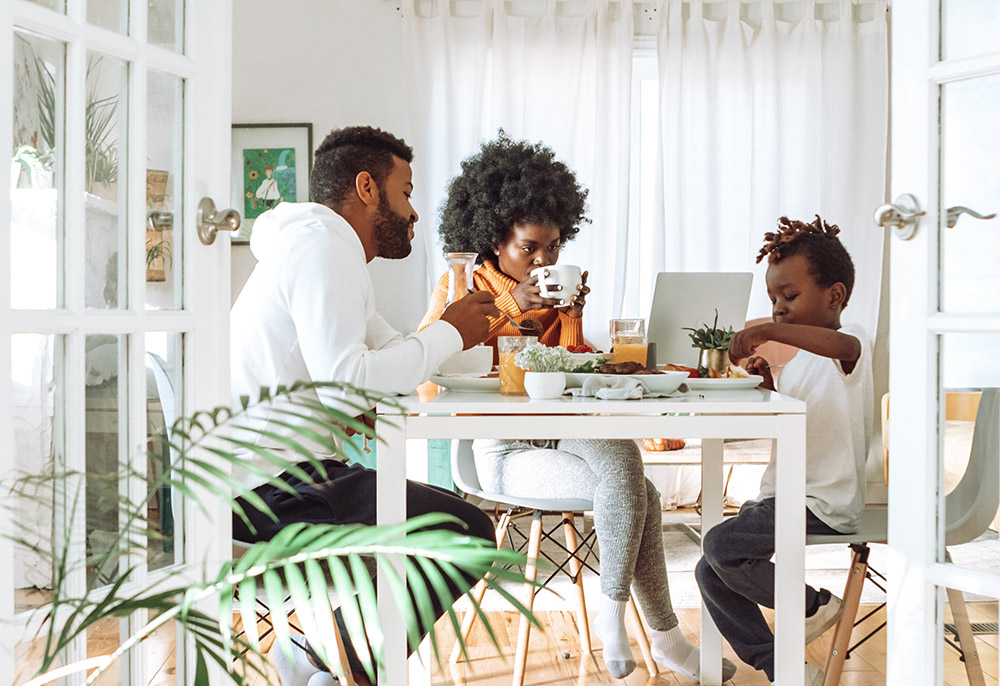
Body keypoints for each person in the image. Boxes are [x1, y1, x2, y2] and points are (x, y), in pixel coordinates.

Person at [420, 134, 735, 682]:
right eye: (529, 248)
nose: (544, 260)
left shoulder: (553, 292)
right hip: (503, 446)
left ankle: (619, 617)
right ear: (495, 240)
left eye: (554, 247)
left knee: (624, 463)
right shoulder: (462, 285)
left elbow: (565, 374)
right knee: (639, 489)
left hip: (563, 430)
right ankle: (658, 635)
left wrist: (571, 321)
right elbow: (431, 363)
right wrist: (510, 306)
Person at [230, 125, 501, 686]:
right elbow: (349, 379)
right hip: (268, 490)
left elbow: (386, 354)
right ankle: (333, 661)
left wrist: (452, 333)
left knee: (453, 524)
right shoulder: (322, 246)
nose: (414, 213)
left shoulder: (324, 247)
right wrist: (449, 332)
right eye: (406, 192)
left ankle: (318, 654)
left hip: (284, 474)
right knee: (464, 531)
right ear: (367, 187)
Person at [695, 215, 874, 686]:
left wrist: (768, 334)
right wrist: (768, 383)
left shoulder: (851, 345)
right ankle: (786, 670)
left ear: (834, 295)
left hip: (823, 502)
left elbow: (843, 344)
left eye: (789, 296)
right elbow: (795, 422)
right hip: (784, 498)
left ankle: (815, 605)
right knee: (710, 570)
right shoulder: (800, 366)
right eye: (773, 299)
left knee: (720, 545)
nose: (778, 309)